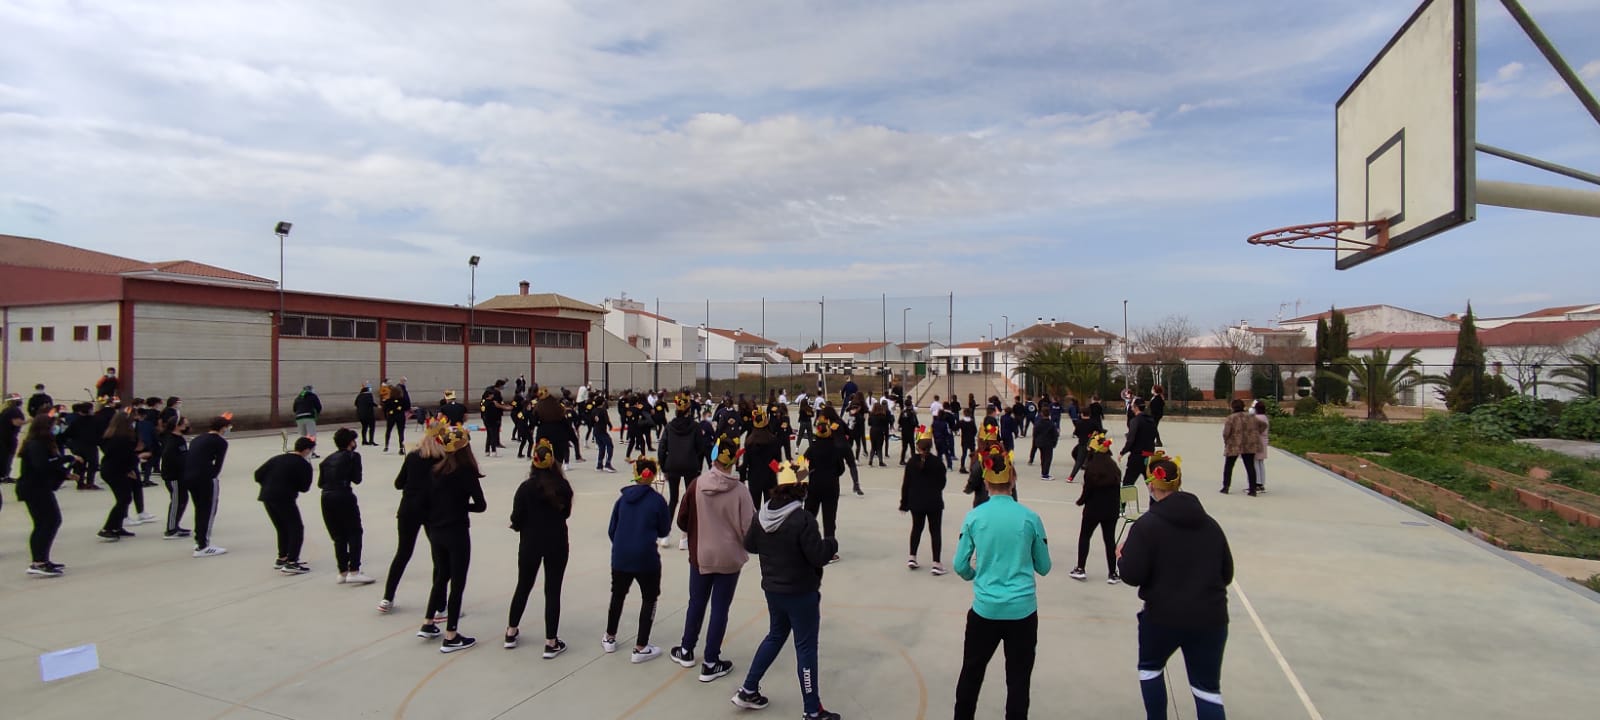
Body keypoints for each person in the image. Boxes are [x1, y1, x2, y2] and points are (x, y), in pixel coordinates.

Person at [1118, 451, 1234, 720]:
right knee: (1206, 689)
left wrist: (1122, 557)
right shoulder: (1210, 525)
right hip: (1211, 617)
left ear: (1151, 485)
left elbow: (1132, 575)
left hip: (1163, 616)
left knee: (1150, 669)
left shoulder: (1147, 526)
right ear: (1179, 483)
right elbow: (1226, 574)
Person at [731, 461, 840, 719]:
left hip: (773, 589)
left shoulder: (763, 514)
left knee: (775, 635)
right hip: (801, 592)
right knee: (805, 648)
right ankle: (812, 709)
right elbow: (817, 556)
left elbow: (751, 544)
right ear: (801, 489)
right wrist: (831, 544)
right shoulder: (803, 519)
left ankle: (748, 689)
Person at [953, 444, 1051, 720]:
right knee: (1018, 680)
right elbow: (1044, 566)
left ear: (985, 481)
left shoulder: (974, 517)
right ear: (1013, 479)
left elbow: (960, 565)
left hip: (986, 608)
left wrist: (975, 576)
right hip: (1022, 610)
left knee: (971, 673)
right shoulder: (1030, 518)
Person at [671, 433, 757, 682]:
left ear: (713, 456)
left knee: (696, 602)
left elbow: (682, 520)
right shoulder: (741, 491)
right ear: (734, 461)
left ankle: (686, 649)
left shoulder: (696, 484)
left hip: (701, 554)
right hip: (729, 558)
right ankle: (710, 660)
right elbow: (749, 529)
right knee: (720, 608)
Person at [419, 424, 487, 652]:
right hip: (456, 530)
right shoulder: (466, 473)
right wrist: (461, 506)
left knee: (441, 575)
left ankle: (428, 621)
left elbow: (427, 501)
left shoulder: (436, 470)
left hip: (436, 530)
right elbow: (480, 505)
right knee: (457, 582)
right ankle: (451, 634)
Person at [506, 439, 574, 658]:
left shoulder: (525, 488)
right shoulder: (562, 486)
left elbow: (516, 518)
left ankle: (511, 630)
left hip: (530, 542)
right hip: (556, 541)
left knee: (523, 585)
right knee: (553, 590)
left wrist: (520, 525)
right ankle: (551, 641)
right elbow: (565, 513)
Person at [604, 456, 671, 664]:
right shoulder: (658, 501)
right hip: (646, 557)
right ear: (652, 476)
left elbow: (612, 530)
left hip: (621, 555)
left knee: (618, 594)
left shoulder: (622, 500)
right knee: (649, 598)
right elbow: (664, 530)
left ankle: (610, 636)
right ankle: (641, 646)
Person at [378, 420, 446, 614]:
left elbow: (399, 483)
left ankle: (387, 597)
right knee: (438, 558)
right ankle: (440, 605)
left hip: (409, 508)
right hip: (433, 510)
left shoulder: (413, 456)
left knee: (403, 553)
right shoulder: (443, 458)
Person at [17, 412, 74, 576]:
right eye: (53, 425)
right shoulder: (35, 444)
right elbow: (42, 466)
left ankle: (42, 559)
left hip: (39, 487)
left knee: (48, 522)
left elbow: (48, 465)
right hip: (33, 488)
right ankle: (38, 561)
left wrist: (65, 473)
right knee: (48, 522)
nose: (55, 428)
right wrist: (65, 460)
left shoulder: (42, 443)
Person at [320, 428, 374, 584]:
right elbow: (357, 479)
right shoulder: (353, 456)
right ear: (351, 442)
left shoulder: (327, 460)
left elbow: (320, 482)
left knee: (338, 535)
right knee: (355, 532)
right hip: (343, 494)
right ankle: (354, 570)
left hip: (326, 496)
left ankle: (342, 571)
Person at [257, 437, 316, 574]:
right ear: (307, 450)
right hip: (285, 498)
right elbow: (304, 488)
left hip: (267, 496)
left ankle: (282, 557)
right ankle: (292, 561)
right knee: (296, 528)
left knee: (281, 527)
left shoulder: (277, 458)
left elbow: (258, 475)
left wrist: (269, 485)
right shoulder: (303, 464)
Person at [1069, 432, 1122, 583]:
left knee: (1085, 537)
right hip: (1111, 510)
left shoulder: (1091, 469)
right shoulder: (1114, 468)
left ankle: (1080, 568)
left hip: (1093, 509)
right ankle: (1112, 573)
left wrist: (1080, 501)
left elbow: (1088, 491)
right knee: (1110, 540)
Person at [660, 395, 706, 547]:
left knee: (673, 500)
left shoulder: (669, 426)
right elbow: (701, 448)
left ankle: (665, 534)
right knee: (690, 500)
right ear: (689, 410)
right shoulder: (695, 426)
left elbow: (662, 448)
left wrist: (663, 466)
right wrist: (698, 467)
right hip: (690, 466)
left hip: (672, 465)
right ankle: (684, 536)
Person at [899, 427, 947, 575]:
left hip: (916, 501)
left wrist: (904, 502)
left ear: (917, 445)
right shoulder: (938, 462)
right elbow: (942, 483)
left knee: (916, 528)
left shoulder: (912, 462)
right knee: (935, 531)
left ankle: (912, 556)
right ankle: (936, 562)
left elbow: (906, 484)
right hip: (933, 502)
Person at [185, 414, 232, 557]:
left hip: (189, 476)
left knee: (199, 509)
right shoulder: (221, 442)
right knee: (208, 510)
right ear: (223, 428)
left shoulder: (197, 439)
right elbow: (218, 465)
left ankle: (199, 539)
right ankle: (203, 546)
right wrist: (213, 476)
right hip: (205, 478)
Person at [96, 409, 141, 541]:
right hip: (116, 471)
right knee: (124, 499)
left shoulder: (110, 436)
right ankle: (108, 528)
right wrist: (130, 468)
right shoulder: (122, 439)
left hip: (111, 469)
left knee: (124, 498)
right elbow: (124, 457)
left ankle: (117, 526)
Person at [802, 420, 843, 563]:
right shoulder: (836, 448)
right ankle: (830, 552)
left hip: (813, 486)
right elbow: (841, 469)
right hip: (831, 486)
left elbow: (801, 470)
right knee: (829, 518)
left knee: (809, 516)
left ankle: (806, 546)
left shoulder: (811, 449)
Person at [159, 415, 193, 539]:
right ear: (177, 426)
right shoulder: (171, 440)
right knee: (176, 501)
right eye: (185, 424)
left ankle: (175, 525)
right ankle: (171, 529)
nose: (187, 427)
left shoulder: (179, 439)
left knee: (183, 499)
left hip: (181, 476)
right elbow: (170, 459)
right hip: (174, 477)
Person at [1220, 399, 1262, 496]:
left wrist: (1226, 441)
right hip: (1249, 444)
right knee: (1250, 466)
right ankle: (1252, 490)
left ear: (1233, 407)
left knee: (1229, 466)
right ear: (1243, 406)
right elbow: (1262, 425)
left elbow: (1226, 432)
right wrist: (1255, 434)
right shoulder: (1251, 417)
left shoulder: (1231, 418)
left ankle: (1226, 487)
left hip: (1234, 444)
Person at [742, 410, 782, 511]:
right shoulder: (773, 440)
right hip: (770, 477)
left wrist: (742, 478)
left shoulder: (749, 441)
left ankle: (756, 526)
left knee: (754, 508)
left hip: (754, 478)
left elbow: (746, 463)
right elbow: (777, 460)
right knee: (770, 508)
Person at [1121, 398, 1157, 487]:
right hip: (1149, 455)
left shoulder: (1135, 421)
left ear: (1135, 407)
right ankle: (1155, 500)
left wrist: (1123, 452)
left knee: (1127, 483)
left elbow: (1131, 439)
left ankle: (1124, 500)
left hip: (1137, 456)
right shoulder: (1151, 420)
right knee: (1151, 484)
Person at [480, 380, 511, 457]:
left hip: (486, 418)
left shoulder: (484, 400)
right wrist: (506, 408)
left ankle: (487, 450)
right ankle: (494, 449)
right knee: (493, 433)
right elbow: (498, 405)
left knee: (489, 435)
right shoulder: (494, 398)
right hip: (493, 418)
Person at [1, 394, 25, 483]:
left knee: (4, 456)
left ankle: (3, 475)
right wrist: (30, 421)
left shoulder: (5, 410)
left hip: (3, 437)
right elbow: (17, 423)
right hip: (8, 438)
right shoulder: (14, 411)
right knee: (7, 457)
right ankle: (4, 475)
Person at [383, 380, 411, 454]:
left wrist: (387, 415)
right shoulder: (403, 400)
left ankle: (386, 446)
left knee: (388, 431)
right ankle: (401, 448)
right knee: (400, 432)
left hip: (391, 416)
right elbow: (407, 407)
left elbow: (385, 409)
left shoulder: (388, 400)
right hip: (400, 416)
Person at [292, 385, 322, 456]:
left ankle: (302, 451)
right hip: (309, 416)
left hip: (299, 418)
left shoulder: (298, 397)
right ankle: (311, 452)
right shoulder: (313, 396)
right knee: (311, 435)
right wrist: (316, 414)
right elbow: (318, 406)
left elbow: (294, 408)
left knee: (303, 435)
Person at [1031, 408, 1060, 481]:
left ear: (1041, 414)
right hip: (1048, 443)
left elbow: (1035, 433)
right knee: (1048, 458)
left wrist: (1036, 441)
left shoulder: (1038, 423)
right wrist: (1054, 443)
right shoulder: (1051, 424)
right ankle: (1045, 474)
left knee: (1043, 457)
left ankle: (1043, 472)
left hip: (1040, 442)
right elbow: (1055, 435)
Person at [867, 400, 891, 467]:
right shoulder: (882, 416)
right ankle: (880, 461)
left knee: (873, 446)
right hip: (879, 431)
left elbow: (869, 423)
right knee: (879, 447)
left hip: (872, 431)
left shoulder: (871, 415)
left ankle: (870, 461)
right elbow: (885, 423)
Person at [1253, 400, 1270, 493]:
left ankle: (1257, 483)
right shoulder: (1265, 417)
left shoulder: (1256, 418)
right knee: (1261, 463)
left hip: (1257, 442)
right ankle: (1262, 483)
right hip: (1264, 441)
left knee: (1255, 462)